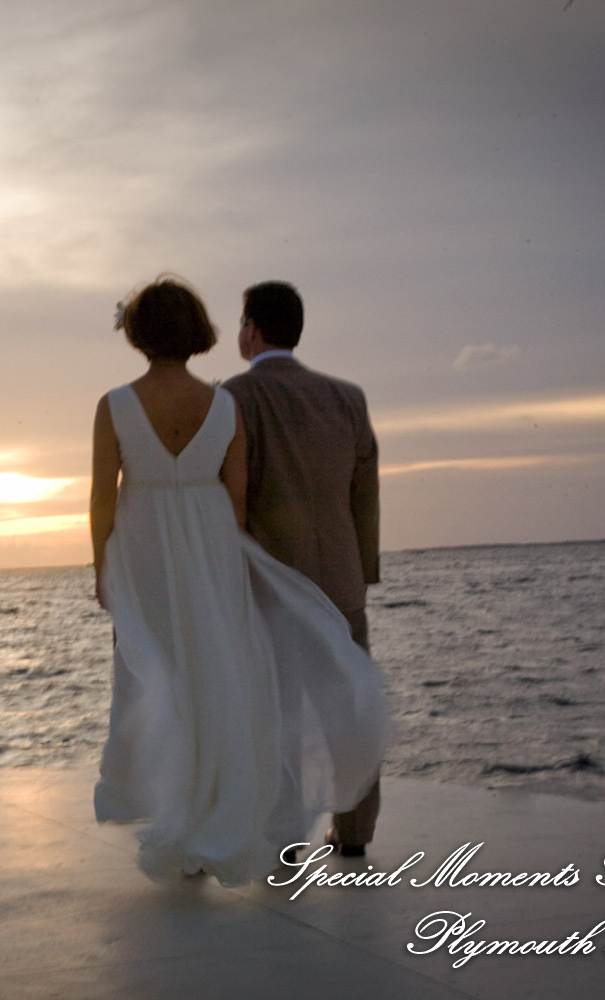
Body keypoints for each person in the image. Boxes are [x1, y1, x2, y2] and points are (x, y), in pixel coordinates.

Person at [91, 275, 386, 886]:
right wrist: (360, 569)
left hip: (202, 566)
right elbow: (341, 494)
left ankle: (242, 836)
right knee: (315, 702)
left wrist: (118, 566)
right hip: (306, 571)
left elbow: (120, 499)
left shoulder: (193, 398)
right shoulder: (327, 399)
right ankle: (348, 830)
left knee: (223, 701)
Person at [222, 280, 383, 857]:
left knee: (277, 716)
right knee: (348, 710)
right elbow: (364, 494)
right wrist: (362, 571)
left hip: (273, 585)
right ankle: (355, 831)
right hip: (340, 583)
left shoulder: (234, 398)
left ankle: (286, 838)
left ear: (252, 330)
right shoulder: (348, 398)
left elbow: (229, 497)